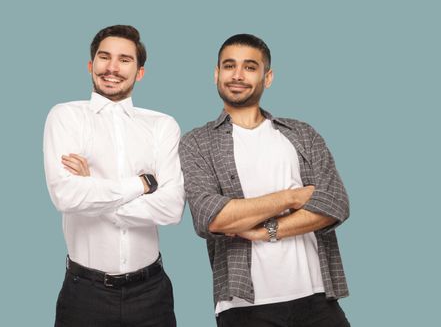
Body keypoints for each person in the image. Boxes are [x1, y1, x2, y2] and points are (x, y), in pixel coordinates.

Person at [179, 33, 351, 326]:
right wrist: (292, 197)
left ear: (267, 77)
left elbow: (335, 204)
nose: (237, 75)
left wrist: (266, 230)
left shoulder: (301, 133)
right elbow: (212, 219)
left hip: (317, 297)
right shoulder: (197, 142)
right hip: (243, 304)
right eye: (229, 65)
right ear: (216, 74)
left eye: (249, 67)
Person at [43, 25, 184, 327]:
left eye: (124, 59)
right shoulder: (65, 116)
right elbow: (66, 196)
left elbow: (172, 208)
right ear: (90, 65)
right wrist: (143, 184)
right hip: (85, 294)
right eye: (104, 57)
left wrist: (91, 186)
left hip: (152, 293)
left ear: (140, 72)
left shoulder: (162, 125)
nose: (112, 67)